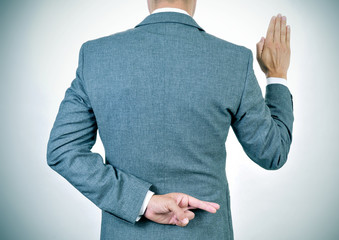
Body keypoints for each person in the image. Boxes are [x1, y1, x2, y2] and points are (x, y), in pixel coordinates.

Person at [46, 0, 293, 239]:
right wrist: (277, 76)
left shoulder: (97, 56)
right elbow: (271, 152)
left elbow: (63, 150)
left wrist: (143, 202)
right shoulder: (234, 60)